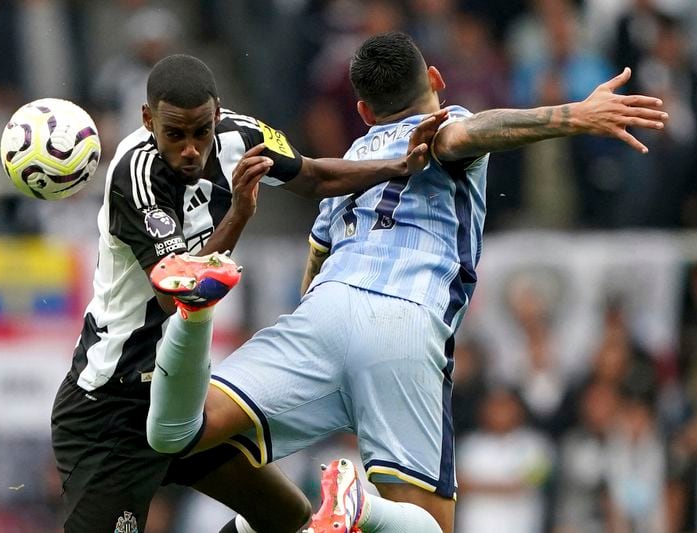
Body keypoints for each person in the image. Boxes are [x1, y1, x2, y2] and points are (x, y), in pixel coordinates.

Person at [145, 32, 668, 532]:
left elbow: (315, 265)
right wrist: (575, 115)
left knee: (181, 433)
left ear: (364, 114)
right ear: (436, 79)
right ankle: (359, 509)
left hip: (322, 313)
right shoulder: (444, 124)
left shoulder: (349, 163)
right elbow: (472, 132)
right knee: (426, 527)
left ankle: (194, 319)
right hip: (404, 322)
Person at [50, 53, 445, 533]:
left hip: (180, 399)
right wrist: (237, 215)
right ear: (148, 120)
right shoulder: (135, 177)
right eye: (175, 134)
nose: (191, 149)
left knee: (288, 519)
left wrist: (400, 166)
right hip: (112, 409)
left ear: (217, 115)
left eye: (202, 131)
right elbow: (179, 294)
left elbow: (315, 176)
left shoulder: (244, 136)